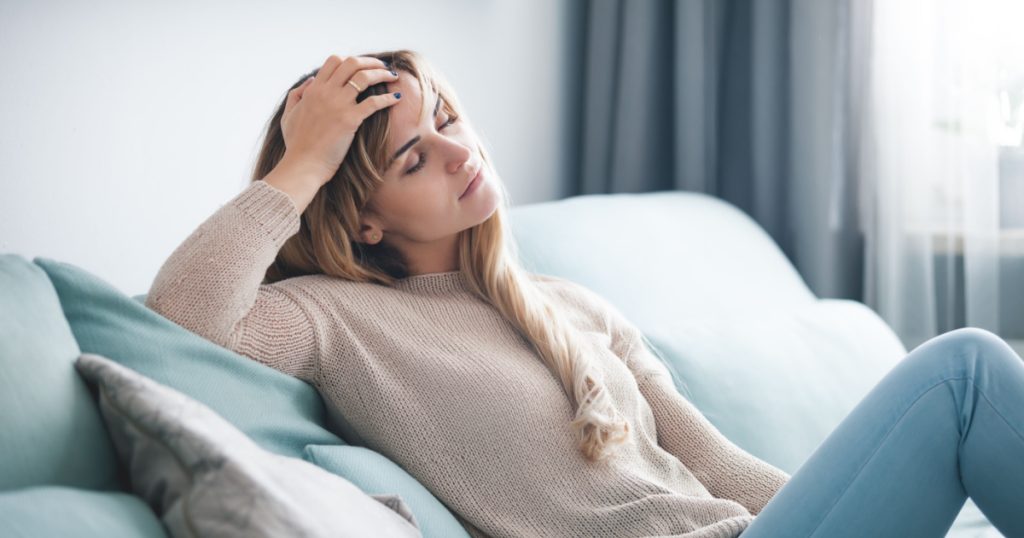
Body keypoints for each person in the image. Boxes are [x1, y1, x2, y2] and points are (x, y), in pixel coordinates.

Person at [144, 50, 1024, 538]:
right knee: (968, 375)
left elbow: (718, 470)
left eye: (446, 119)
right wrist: (306, 162)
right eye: (413, 158)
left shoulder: (572, 303)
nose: (458, 153)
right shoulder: (333, 319)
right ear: (364, 219)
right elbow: (179, 324)